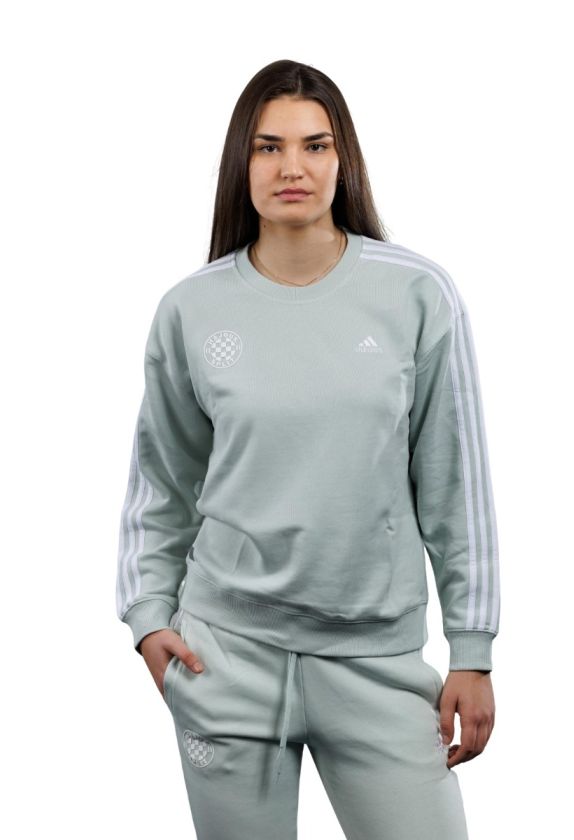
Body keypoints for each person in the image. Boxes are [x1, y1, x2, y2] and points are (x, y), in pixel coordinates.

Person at [115, 59, 500, 840]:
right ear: (242, 162)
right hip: (224, 660)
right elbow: (162, 482)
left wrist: (473, 649)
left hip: (378, 663)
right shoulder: (191, 310)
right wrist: (149, 617)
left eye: (315, 145)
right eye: (269, 147)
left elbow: (456, 485)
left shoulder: (417, 294)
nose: (292, 167)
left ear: (342, 159)